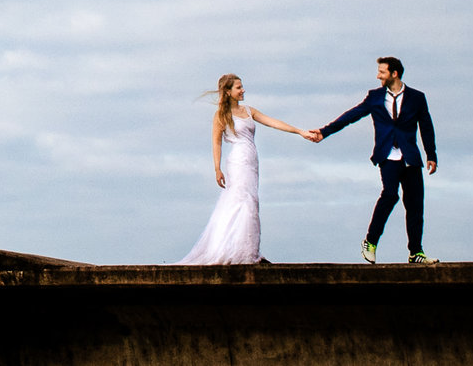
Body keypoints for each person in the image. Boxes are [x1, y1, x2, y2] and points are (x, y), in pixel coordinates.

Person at [175, 73, 319, 264]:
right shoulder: (221, 115)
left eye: (242, 87)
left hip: (252, 160)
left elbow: (272, 122)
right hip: (238, 161)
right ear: (228, 92)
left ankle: (246, 250)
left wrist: (300, 131)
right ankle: (243, 253)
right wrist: (217, 168)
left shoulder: (248, 110)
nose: (243, 90)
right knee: (244, 201)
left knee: (249, 201)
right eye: (238, 87)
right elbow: (216, 143)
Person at [309, 56, 438, 264]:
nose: (378, 76)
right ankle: (370, 241)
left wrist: (431, 155)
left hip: (410, 157)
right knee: (390, 194)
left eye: (382, 72)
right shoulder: (375, 97)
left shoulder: (417, 97)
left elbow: (426, 126)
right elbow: (352, 115)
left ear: (394, 74)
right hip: (387, 155)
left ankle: (416, 252)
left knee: (415, 205)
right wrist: (325, 132)